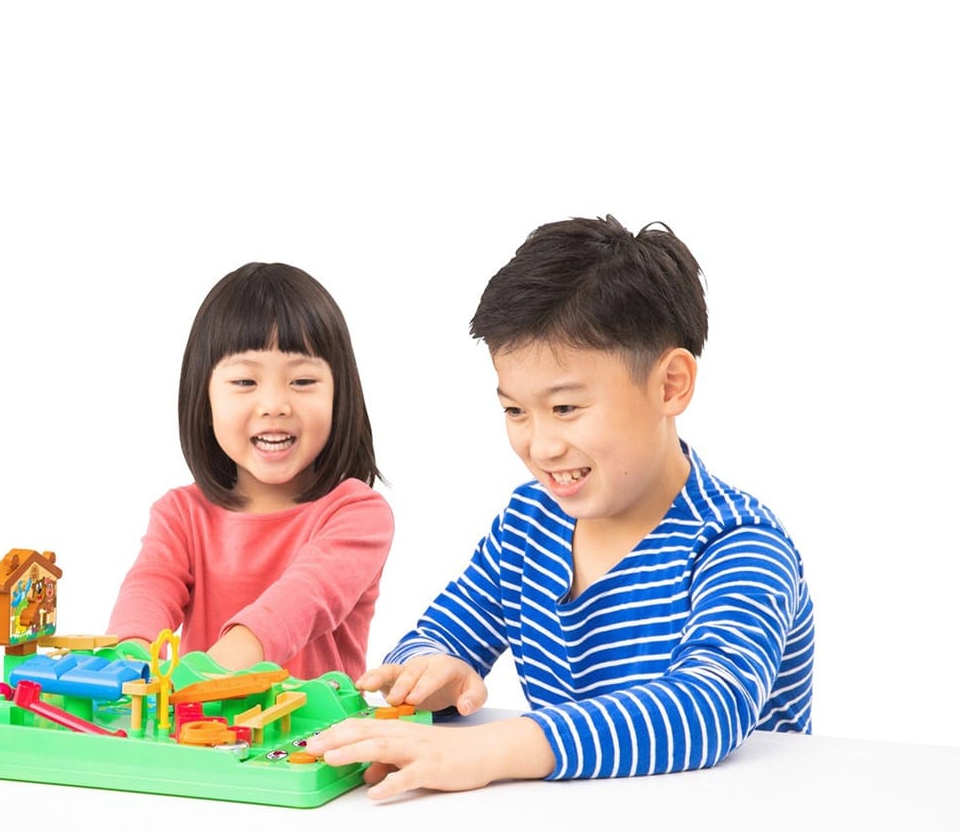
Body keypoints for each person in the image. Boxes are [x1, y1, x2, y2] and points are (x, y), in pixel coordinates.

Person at [308, 215, 814, 800]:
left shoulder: (739, 541)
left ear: (670, 385)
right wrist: (431, 675)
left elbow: (709, 706)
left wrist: (490, 750)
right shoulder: (529, 524)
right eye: (515, 411)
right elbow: (433, 638)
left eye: (566, 408)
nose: (541, 447)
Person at [108, 262, 393, 681]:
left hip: (310, 724)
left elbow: (300, 602)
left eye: (302, 381)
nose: (274, 404)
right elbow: (148, 589)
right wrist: (127, 661)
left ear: (340, 394)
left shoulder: (358, 514)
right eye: (245, 382)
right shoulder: (180, 514)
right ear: (204, 398)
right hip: (197, 722)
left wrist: (206, 674)